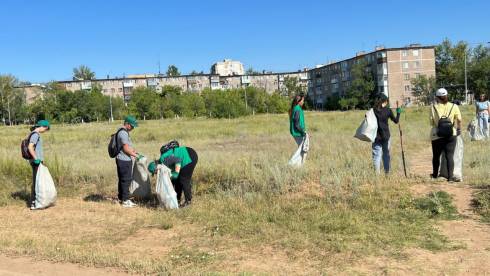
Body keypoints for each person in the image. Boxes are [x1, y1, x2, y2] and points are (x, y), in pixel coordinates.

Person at [430, 88, 462, 182]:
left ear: (437, 97)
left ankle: (435, 175)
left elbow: (431, 122)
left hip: (437, 134)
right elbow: (459, 120)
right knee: (449, 155)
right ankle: (450, 177)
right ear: (447, 96)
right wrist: (458, 129)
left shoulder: (433, 107)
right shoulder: (454, 106)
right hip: (451, 134)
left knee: (436, 156)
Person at [115, 116, 143, 208]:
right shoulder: (123, 133)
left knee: (122, 179)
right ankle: (125, 201)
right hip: (124, 160)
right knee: (126, 180)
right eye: (132, 126)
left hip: (122, 159)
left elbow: (127, 147)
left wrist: (134, 152)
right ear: (127, 123)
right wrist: (136, 156)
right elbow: (126, 149)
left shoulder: (122, 131)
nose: (133, 128)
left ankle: (121, 198)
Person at [371, 94, 401, 174]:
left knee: (376, 156)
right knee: (386, 154)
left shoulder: (373, 110)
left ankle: (377, 175)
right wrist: (398, 112)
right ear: (385, 101)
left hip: (376, 136)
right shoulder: (388, 110)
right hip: (386, 136)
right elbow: (396, 121)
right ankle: (387, 173)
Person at [27, 120, 50, 210]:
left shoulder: (33, 133)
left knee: (37, 181)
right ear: (43, 127)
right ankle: (34, 203)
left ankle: (37, 201)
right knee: (37, 182)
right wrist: (36, 158)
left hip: (35, 161)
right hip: (35, 162)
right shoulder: (35, 134)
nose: (45, 131)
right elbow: (30, 147)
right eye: (46, 129)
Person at [289, 94, 308, 164]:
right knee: (302, 149)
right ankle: (291, 164)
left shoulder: (297, 108)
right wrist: (303, 132)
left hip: (298, 132)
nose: (303, 102)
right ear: (298, 101)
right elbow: (296, 124)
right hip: (298, 132)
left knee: (303, 148)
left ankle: (300, 164)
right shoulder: (297, 109)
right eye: (303, 100)